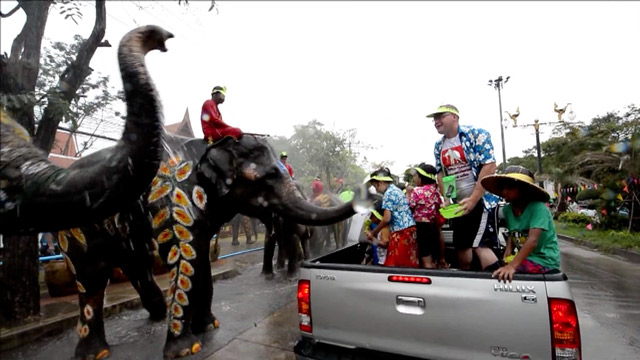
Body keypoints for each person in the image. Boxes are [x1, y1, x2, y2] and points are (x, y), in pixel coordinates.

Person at [429, 104, 501, 271]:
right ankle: (464, 281)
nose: (436, 121)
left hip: (482, 201)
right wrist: (447, 198)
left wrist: (474, 199)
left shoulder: (477, 134)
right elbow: (442, 173)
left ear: (454, 117)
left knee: (480, 245)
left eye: (440, 116)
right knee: (461, 245)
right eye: (434, 118)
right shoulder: (439, 146)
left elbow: (489, 166)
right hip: (459, 204)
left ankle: (498, 285)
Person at [481, 165, 560, 282]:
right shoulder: (508, 210)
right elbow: (512, 233)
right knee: (491, 269)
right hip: (525, 258)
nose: (504, 191)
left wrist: (512, 266)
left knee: (499, 274)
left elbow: (533, 241)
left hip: (543, 260)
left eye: (510, 187)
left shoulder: (538, 208)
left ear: (524, 189)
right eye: (503, 188)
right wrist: (508, 249)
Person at [366, 168, 418, 268]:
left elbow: (386, 219)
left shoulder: (388, 194)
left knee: (396, 266)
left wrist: (374, 232)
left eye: (375, 186)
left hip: (401, 232)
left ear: (380, 183)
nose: (376, 189)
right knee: (407, 263)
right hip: (409, 230)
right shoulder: (396, 190)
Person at [406, 163, 447, 269]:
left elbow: (410, 207)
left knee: (425, 260)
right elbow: (438, 206)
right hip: (433, 227)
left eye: (415, 175)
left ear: (421, 177)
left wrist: (408, 194)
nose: (414, 178)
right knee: (432, 258)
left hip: (421, 228)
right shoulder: (435, 191)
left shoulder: (417, 191)